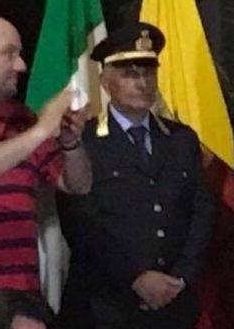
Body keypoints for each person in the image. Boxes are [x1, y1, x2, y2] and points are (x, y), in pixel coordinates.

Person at [57, 22, 215, 329]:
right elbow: (79, 221)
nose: (142, 83)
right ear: (105, 82)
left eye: (149, 73)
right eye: (130, 74)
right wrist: (136, 278)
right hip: (105, 306)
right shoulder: (83, 141)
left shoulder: (181, 139)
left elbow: (201, 212)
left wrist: (179, 278)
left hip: (172, 306)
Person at [0, 15, 90, 297]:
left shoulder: (21, 118)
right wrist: (41, 131)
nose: (21, 65)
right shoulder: (33, 130)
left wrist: (70, 143)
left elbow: (77, 185)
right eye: (8, 54)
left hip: (24, 294)